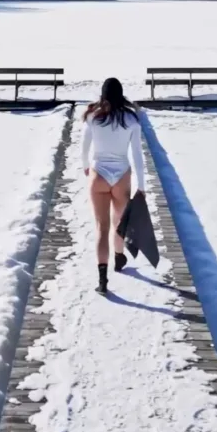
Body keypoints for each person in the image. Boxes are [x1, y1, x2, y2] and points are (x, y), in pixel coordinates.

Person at [82, 77, 144, 296]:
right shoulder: (132, 119)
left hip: (98, 174)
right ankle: (119, 257)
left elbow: (84, 148)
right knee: (119, 223)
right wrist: (141, 186)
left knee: (102, 227)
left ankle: (102, 280)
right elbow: (137, 154)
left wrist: (86, 167)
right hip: (121, 176)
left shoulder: (93, 116)